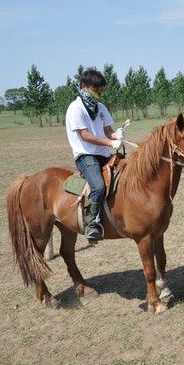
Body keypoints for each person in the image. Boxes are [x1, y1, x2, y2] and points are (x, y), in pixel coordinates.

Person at [65, 68, 125, 242]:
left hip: (104, 153)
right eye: (96, 90)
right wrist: (110, 142)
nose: (99, 94)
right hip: (86, 156)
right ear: (84, 86)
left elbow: (108, 131)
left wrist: (117, 135)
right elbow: (85, 135)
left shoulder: (100, 107)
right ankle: (92, 223)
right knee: (98, 186)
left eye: (100, 91)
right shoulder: (75, 108)